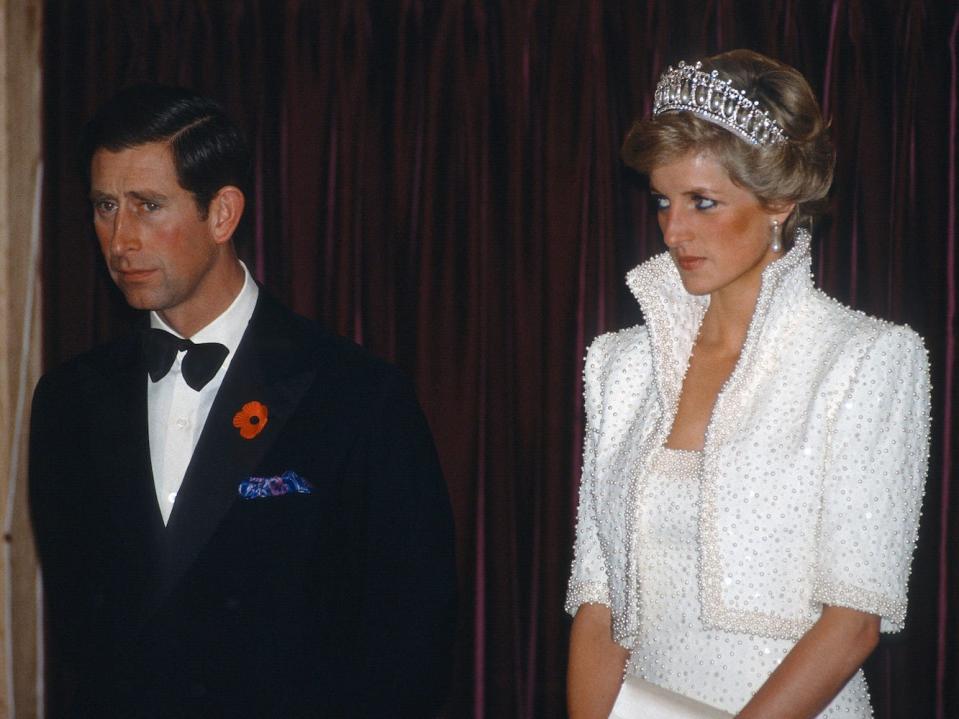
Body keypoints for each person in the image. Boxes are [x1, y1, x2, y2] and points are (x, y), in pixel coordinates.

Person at [29, 84, 456, 718]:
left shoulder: (357, 396)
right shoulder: (68, 400)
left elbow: (412, 644)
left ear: (223, 213)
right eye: (105, 206)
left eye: (148, 206)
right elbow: (81, 633)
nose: (120, 240)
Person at [566, 50, 930, 718]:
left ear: (779, 203)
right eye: (662, 201)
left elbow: (852, 621)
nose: (674, 231)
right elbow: (598, 603)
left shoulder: (864, 358)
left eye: (703, 202)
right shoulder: (619, 366)